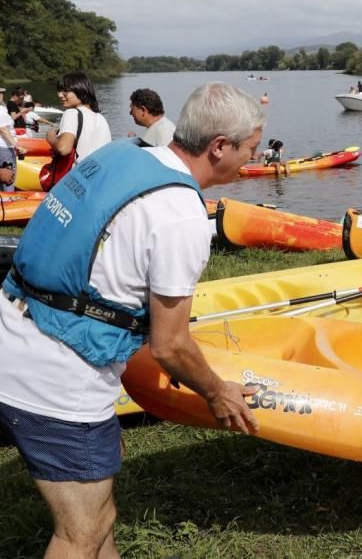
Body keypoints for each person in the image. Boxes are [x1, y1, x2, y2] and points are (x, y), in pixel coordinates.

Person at [0, 82, 264, 557]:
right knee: (81, 531)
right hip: (57, 374)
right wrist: (217, 392)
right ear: (219, 146)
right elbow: (170, 346)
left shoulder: (124, 154)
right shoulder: (182, 214)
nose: (252, 158)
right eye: (250, 148)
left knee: (101, 519)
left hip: (14, 325)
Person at [46, 71, 112, 165]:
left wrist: (51, 137)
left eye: (65, 91)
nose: (60, 95)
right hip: (99, 175)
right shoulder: (101, 118)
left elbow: (63, 149)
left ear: (81, 90)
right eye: (59, 91)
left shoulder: (72, 113)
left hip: (80, 175)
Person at [0, 103, 18, 191]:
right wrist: (16, 145)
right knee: (9, 181)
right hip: (5, 148)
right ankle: (8, 201)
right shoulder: (1, 110)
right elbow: (3, 129)